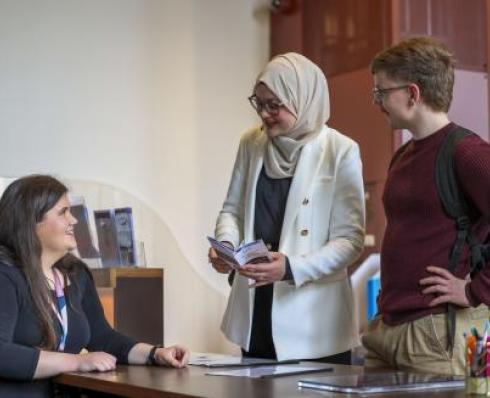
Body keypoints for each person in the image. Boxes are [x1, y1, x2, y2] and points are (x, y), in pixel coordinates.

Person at [208, 53, 365, 363]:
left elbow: (350, 240)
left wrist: (291, 267)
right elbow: (232, 211)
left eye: (274, 105)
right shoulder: (251, 143)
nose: (264, 114)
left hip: (314, 321)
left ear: (303, 99)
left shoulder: (340, 150)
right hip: (256, 310)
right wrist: (226, 244)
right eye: (259, 103)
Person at [362, 36, 490, 375]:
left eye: (382, 92)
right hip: (386, 330)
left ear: (413, 93)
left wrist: (476, 290)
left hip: (435, 334)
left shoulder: (467, 153)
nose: (377, 101)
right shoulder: (403, 155)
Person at [0, 175, 189, 397]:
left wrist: (155, 353)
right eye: (63, 213)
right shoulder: (6, 275)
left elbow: (102, 337)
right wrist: (76, 362)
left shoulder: (76, 274)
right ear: (31, 221)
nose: (74, 220)